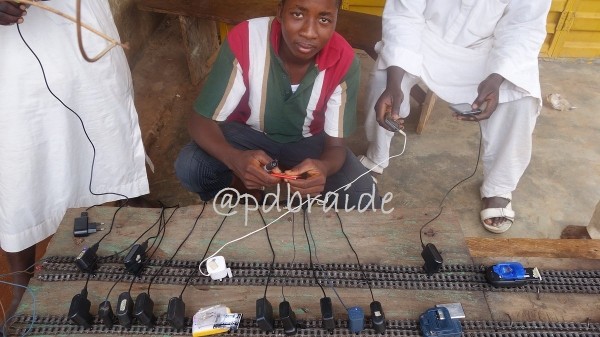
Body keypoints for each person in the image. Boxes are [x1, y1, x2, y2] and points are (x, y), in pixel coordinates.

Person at [0, 0, 149, 325]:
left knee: (106, 130)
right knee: (16, 155)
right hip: (8, 53)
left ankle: (140, 228)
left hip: (77, 23)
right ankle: (21, 282)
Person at [359, 0, 551, 233]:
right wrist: (394, 81)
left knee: (523, 100)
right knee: (385, 81)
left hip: (488, 49)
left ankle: (498, 187)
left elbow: (522, 28)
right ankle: (375, 156)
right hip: (424, 37)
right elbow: (405, 16)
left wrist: (498, 76)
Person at [175, 0, 380, 209]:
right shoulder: (246, 38)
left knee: (364, 196)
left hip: (308, 141)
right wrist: (234, 159)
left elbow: (336, 146)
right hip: (248, 133)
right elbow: (199, 119)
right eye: (298, 14)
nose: (309, 32)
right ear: (280, 12)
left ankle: (301, 202)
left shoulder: (344, 61)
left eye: (324, 19)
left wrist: (324, 168)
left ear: (336, 20)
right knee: (192, 167)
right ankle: (245, 192)